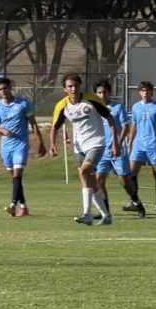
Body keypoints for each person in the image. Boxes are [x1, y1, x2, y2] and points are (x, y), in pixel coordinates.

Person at [48, 73, 119, 225]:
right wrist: (52, 145)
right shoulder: (62, 106)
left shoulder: (92, 100)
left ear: (80, 86)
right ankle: (106, 216)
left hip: (96, 143)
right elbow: (55, 127)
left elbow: (110, 119)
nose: (73, 89)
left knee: (84, 172)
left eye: (76, 86)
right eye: (70, 86)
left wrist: (115, 143)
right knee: (91, 182)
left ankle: (86, 213)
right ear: (64, 89)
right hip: (79, 146)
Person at [0, 77, 46, 217]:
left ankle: (12, 205)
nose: (4, 91)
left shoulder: (23, 104)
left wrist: (41, 143)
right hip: (6, 147)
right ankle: (24, 206)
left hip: (21, 145)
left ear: (10, 88)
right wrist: (2, 131)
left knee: (17, 175)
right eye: (0, 89)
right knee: (15, 179)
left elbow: (33, 124)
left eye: (6, 88)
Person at [93, 79, 144, 218]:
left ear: (109, 93)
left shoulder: (117, 108)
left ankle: (136, 202)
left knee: (124, 181)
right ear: (95, 94)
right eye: (99, 92)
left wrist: (118, 144)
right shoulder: (94, 109)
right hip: (102, 151)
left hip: (117, 150)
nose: (102, 95)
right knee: (99, 179)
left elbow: (126, 126)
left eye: (105, 92)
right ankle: (105, 211)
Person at [126, 80, 156, 212]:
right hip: (139, 145)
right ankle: (134, 201)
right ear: (140, 92)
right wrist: (129, 142)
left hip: (153, 145)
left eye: (147, 90)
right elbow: (134, 125)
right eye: (143, 90)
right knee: (132, 174)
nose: (145, 93)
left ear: (151, 92)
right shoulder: (136, 107)